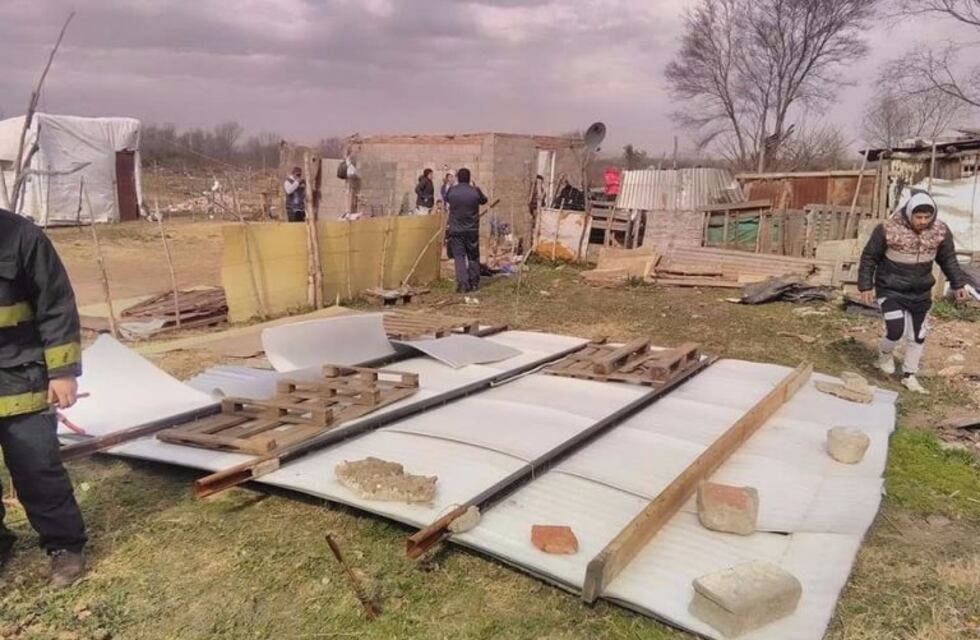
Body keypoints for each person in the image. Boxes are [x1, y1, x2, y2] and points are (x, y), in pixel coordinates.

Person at [0, 208, 87, 586]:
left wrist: (63, 372)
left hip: (22, 377)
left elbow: (56, 305)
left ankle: (65, 545)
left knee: (37, 468)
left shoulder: (22, 236)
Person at [858, 190, 969, 394]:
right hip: (890, 288)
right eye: (918, 217)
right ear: (909, 213)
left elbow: (948, 260)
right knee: (896, 329)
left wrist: (958, 284)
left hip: (920, 292)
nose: (922, 221)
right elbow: (869, 258)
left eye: (927, 217)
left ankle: (910, 375)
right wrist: (866, 286)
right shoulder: (887, 229)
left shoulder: (940, 231)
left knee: (918, 334)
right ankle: (884, 353)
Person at [445, 168, 487, 293]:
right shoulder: (475, 191)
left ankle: (463, 284)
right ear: (469, 178)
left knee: (459, 257)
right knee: (473, 256)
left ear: (458, 178)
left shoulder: (452, 191)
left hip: (456, 230)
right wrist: (476, 188)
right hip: (472, 230)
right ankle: (474, 282)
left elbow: (447, 199)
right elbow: (484, 201)